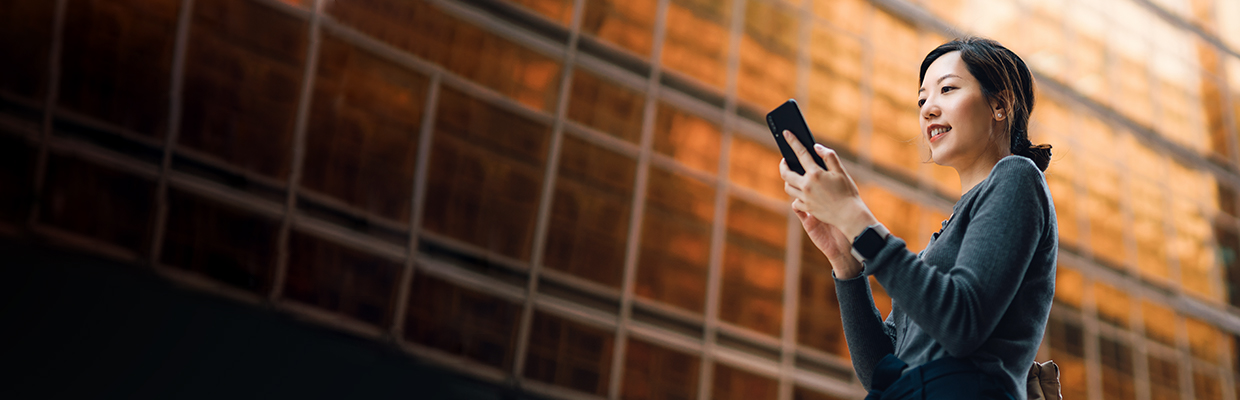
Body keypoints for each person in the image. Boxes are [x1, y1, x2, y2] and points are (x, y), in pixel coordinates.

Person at [777, 37, 1056, 400]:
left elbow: (961, 323)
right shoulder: (943, 237)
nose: (928, 109)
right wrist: (846, 263)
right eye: (922, 99)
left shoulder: (1017, 177)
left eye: (948, 89)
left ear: (1000, 104)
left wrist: (855, 217)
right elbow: (883, 369)